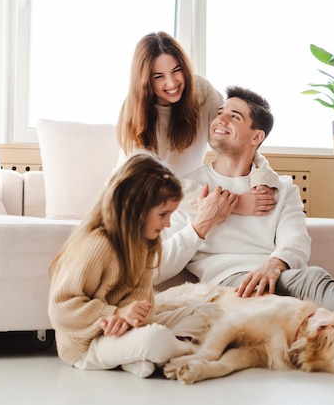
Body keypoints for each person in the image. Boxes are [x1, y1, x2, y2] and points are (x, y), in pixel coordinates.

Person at [160, 86, 334, 383]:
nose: (220, 120)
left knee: (314, 298)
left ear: (256, 137)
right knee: (312, 302)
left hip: (280, 274)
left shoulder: (280, 188)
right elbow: (164, 261)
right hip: (230, 286)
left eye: (234, 116)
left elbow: (296, 240)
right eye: (219, 113)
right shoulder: (188, 187)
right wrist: (201, 224)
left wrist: (275, 263)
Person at [47, 152, 222, 378]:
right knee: (155, 340)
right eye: (163, 214)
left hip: (125, 331)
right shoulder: (97, 244)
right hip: (87, 343)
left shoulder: (146, 244)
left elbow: (141, 301)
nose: (168, 223)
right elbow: (61, 308)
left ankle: (140, 357)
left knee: (212, 312)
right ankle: (185, 352)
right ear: (136, 208)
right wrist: (115, 313)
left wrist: (129, 319)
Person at [116, 31, 277, 216]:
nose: (171, 83)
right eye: (158, 76)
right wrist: (235, 203)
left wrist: (262, 178)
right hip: (135, 200)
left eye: (177, 70)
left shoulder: (200, 91)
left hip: (185, 199)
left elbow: (236, 140)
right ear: (145, 81)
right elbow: (151, 181)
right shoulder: (134, 111)